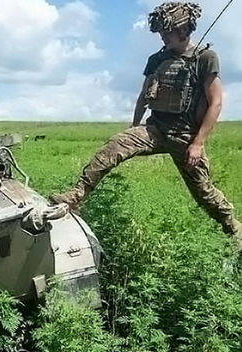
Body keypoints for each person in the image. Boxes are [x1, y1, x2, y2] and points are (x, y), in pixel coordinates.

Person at [50, 2, 242, 248]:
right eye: (160, 32)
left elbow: (215, 103)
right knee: (114, 146)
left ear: (183, 30)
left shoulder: (205, 58)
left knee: (204, 192)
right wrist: (133, 128)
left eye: (167, 32)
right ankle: (76, 195)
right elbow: (143, 96)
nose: (162, 36)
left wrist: (198, 143)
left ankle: (233, 228)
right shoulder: (156, 59)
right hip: (155, 129)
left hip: (185, 136)